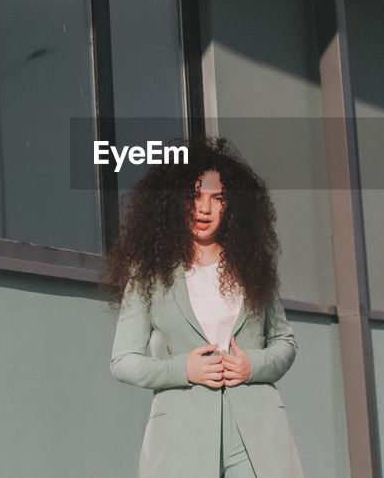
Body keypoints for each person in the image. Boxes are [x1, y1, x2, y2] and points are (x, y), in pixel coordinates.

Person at [103, 137, 303, 477]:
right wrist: (182, 370)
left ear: (232, 206)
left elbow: (286, 342)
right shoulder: (149, 273)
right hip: (181, 436)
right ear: (174, 203)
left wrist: (252, 365)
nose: (204, 208)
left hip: (256, 434)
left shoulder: (252, 266)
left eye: (217, 198)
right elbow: (122, 362)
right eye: (195, 196)